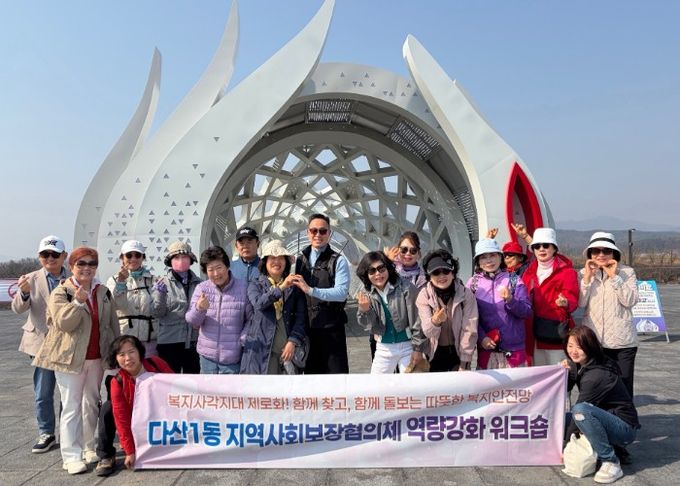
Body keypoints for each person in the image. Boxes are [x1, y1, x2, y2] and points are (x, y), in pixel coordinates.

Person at [32, 247, 120, 475]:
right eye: (81, 263)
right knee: (71, 406)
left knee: (91, 403)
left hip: (96, 357)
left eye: (92, 263)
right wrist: (78, 303)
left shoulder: (102, 291)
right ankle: (71, 456)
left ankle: (89, 447)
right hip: (69, 358)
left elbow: (112, 323)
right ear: (71, 266)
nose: (86, 268)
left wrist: (116, 352)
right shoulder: (62, 292)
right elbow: (64, 323)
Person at [11, 235, 68, 454]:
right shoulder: (30, 279)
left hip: (66, 343)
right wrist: (24, 292)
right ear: (39, 256)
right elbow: (18, 308)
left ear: (64, 256)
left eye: (55, 254)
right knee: (43, 391)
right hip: (40, 342)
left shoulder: (73, 277)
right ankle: (46, 433)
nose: (50, 258)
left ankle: (67, 432)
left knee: (68, 391)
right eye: (45, 254)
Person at [561, 326, 640, 484]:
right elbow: (566, 388)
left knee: (580, 411)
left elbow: (580, 411)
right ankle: (607, 446)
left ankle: (610, 461)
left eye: (579, 347)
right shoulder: (581, 363)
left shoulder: (597, 375)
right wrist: (565, 373)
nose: (573, 351)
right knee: (558, 420)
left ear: (590, 346)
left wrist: (566, 446)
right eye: (570, 345)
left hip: (624, 428)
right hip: (604, 417)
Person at [579, 232, 639, 398]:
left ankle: (624, 414)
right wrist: (587, 278)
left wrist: (614, 276)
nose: (601, 255)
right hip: (594, 339)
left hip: (622, 341)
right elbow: (581, 303)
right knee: (596, 385)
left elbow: (630, 300)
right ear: (590, 254)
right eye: (596, 251)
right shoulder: (583, 273)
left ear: (614, 253)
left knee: (624, 384)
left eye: (606, 251)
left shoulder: (627, 272)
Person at [291, 213, 350, 374]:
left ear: (329, 233)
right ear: (307, 233)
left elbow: (341, 293)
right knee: (311, 376)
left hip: (331, 328)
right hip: (307, 328)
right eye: (313, 230)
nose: (318, 234)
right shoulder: (300, 260)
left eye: (323, 231)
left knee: (336, 375)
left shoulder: (338, 260)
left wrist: (311, 290)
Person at [241, 240, 308, 374]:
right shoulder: (255, 284)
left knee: (288, 386)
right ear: (265, 262)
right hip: (261, 351)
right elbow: (259, 303)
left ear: (286, 262)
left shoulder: (295, 287)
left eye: (281, 258)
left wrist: (293, 341)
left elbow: (301, 318)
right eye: (272, 258)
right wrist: (281, 287)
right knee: (264, 385)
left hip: (288, 352)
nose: (276, 262)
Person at [108, 335, 173, 471]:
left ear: (139, 352)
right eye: (121, 354)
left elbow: (177, 387)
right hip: (140, 423)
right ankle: (106, 455)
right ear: (116, 358)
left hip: (165, 418)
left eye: (131, 352)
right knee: (106, 409)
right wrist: (130, 452)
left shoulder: (156, 363)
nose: (127, 358)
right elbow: (122, 419)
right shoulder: (117, 382)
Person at [356, 251, 426, 374]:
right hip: (384, 347)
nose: (378, 274)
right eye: (372, 271)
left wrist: (417, 349)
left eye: (381, 268)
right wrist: (365, 310)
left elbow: (417, 321)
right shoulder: (366, 293)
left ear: (388, 268)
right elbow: (371, 327)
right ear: (366, 274)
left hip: (408, 346)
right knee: (377, 384)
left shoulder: (406, 287)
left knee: (412, 382)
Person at [186, 246, 253, 374]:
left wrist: (242, 340)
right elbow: (192, 321)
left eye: (219, 268)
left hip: (232, 358)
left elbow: (251, 319)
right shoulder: (202, 288)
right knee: (207, 387)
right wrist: (199, 308)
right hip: (207, 357)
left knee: (231, 387)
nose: (216, 274)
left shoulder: (243, 287)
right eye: (210, 270)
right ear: (206, 271)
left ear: (227, 266)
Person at [467, 239, 532, 369]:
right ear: (478, 261)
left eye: (492, 255)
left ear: (500, 257)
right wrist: (482, 337)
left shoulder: (514, 280)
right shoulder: (472, 284)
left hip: (514, 354)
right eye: (483, 257)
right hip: (486, 353)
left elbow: (527, 312)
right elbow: (469, 317)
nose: (489, 260)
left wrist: (511, 300)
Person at [521, 228, 579, 366]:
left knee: (558, 373)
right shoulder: (528, 272)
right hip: (532, 334)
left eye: (546, 245)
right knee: (537, 374)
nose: (541, 249)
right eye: (537, 246)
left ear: (554, 248)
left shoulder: (567, 272)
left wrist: (565, 302)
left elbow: (573, 298)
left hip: (554, 333)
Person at [417, 249, 478, 372]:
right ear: (429, 277)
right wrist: (435, 322)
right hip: (434, 354)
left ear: (453, 273)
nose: (441, 276)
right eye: (436, 272)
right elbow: (428, 332)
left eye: (446, 271)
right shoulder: (424, 296)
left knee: (460, 384)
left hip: (459, 353)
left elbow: (469, 329)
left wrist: (464, 362)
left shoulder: (466, 295)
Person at [152, 241, 202, 374]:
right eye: (176, 257)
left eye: (185, 257)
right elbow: (157, 313)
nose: (181, 260)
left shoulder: (199, 283)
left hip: (194, 341)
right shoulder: (161, 282)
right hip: (169, 341)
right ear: (170, 261)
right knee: (169, 381)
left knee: (192, 381)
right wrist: (160, 295)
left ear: (191, 260)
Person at [107, 240, 157, 356]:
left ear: (143, 258)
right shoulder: (113, 280)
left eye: (137, 255)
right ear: (122, 258)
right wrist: (121, 282)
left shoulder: (153, 280)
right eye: (129, 255)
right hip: (124, 337)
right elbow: (116, 306)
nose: (133, 259)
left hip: (149, 338)